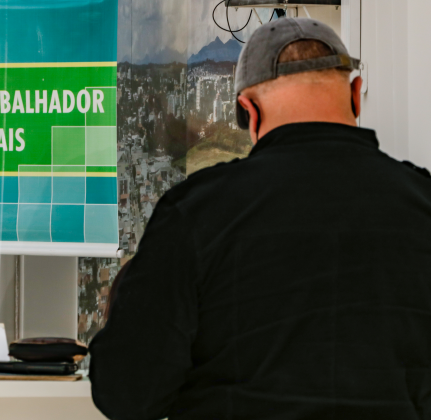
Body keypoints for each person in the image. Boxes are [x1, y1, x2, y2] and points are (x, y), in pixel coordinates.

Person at [89, 17, 431, 420]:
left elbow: (127, 393)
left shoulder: (196, 212)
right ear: (356, 94)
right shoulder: (422, 202)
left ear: (248, 110)